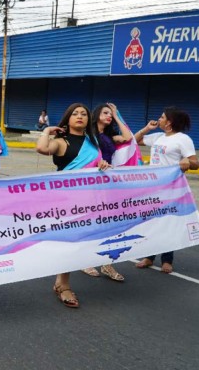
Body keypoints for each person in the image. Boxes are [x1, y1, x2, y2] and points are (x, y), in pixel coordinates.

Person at [36, 103, 109, 309]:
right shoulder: (60, 141)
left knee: (78, 241)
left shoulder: (93, 143)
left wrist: (102, 165)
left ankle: (61, 281)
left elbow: (97, 167)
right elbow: (42, 148)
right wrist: (48, 130)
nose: (79, 116)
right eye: (75, 114)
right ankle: (63, 284)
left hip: (88, 200)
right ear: (67, 119)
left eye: (83, 114)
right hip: (64, 200)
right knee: (69, 241)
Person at [134, 106, 199, 274]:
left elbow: (195, 163)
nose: (159, 119)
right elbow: (135, 141)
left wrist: (187, 162)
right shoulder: (158, 137)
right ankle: (149, 257)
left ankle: (167, 260)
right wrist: (147, 129)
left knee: (167, 222)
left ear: (169, 122)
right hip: (153, 188)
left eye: (162, 117)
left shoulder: (182, 139)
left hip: (171, 188)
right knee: (152, 222)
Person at [81, 102, 134, 282]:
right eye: (105, 113)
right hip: (90, 182)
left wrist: (117, 115)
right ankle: (85, 260)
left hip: (108, 183)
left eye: (110, 113)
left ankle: (107, 263)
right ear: (96, 115)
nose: (109, 115)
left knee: (108, 222)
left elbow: (127, 137)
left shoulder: (110, 136)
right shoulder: (87, 135)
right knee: (90, 221)